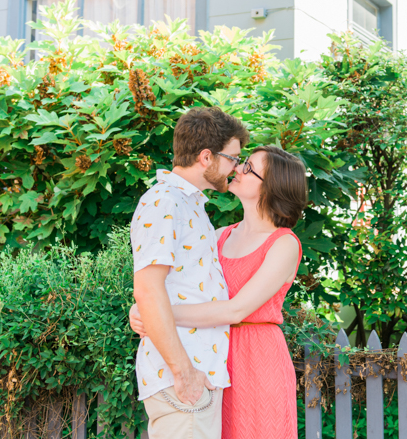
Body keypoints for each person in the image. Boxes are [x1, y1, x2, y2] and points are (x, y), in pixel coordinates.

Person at [130, 145, 308, 439]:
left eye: (249, 167)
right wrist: (143, 308)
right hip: (213, 356)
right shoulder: (218, 235)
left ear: (272, 187)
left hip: (258, 358)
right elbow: (172, 285)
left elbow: (235, 309)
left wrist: (158, 314)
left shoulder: (284, 244)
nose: (236, 168)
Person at [131, 106, 249, 439]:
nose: (236, 167)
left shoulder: (187, 204)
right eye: (233, 158)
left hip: (196, 375)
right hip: (184, 379)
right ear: (207, 157)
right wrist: (185, 372)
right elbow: (149, 290)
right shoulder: (164, 202)